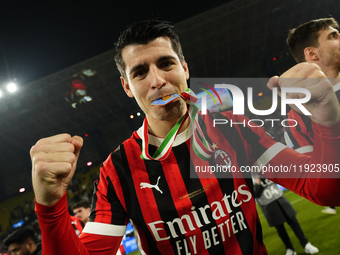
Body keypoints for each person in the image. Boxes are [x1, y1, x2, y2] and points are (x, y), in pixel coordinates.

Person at [30, 20, 340, 255]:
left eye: (166, 64)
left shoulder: (232, 127)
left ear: (185, 69)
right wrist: (50, 206)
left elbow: (323, 190)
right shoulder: (118, 169)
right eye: (140, 72)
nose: (157, 81)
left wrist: (328, 119)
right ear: (127, 87)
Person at [285, 17, 340, 215]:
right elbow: (319, 184)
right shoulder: (297, 117)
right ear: (311, 53)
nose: (339, 38)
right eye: (333, 36)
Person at [253, 176, 318, 255]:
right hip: (268, 204)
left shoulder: (263, 166)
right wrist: (258, 184)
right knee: (280, 229)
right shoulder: (247, 176)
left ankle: (306, 244)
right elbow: (254, 194)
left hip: (280, 198)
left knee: (294, 222)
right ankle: (290, 249)